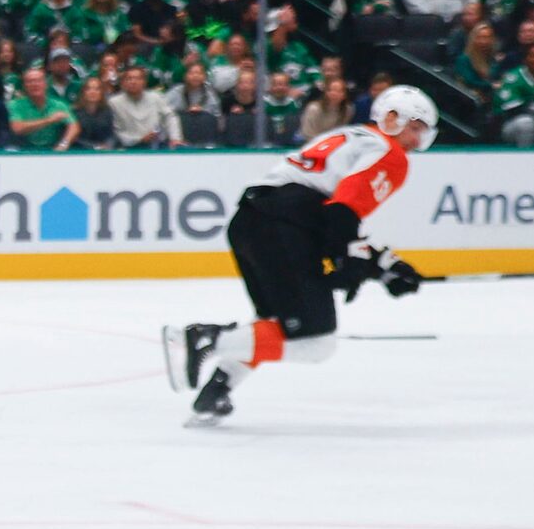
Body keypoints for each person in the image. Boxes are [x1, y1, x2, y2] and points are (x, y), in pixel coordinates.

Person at [164, 85, 438, 425]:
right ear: (391, 118)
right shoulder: (390, 154)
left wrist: (380, 264)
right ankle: (208, 337)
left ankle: (218, 389)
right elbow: (342, 212)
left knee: (276, 325)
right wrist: (352, 263)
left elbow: (330, 219)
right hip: (283, 226)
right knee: (316, 340)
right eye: (414, 128)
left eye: (421, 133)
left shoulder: (350, 136)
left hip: (252, 220)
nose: (415, 141)